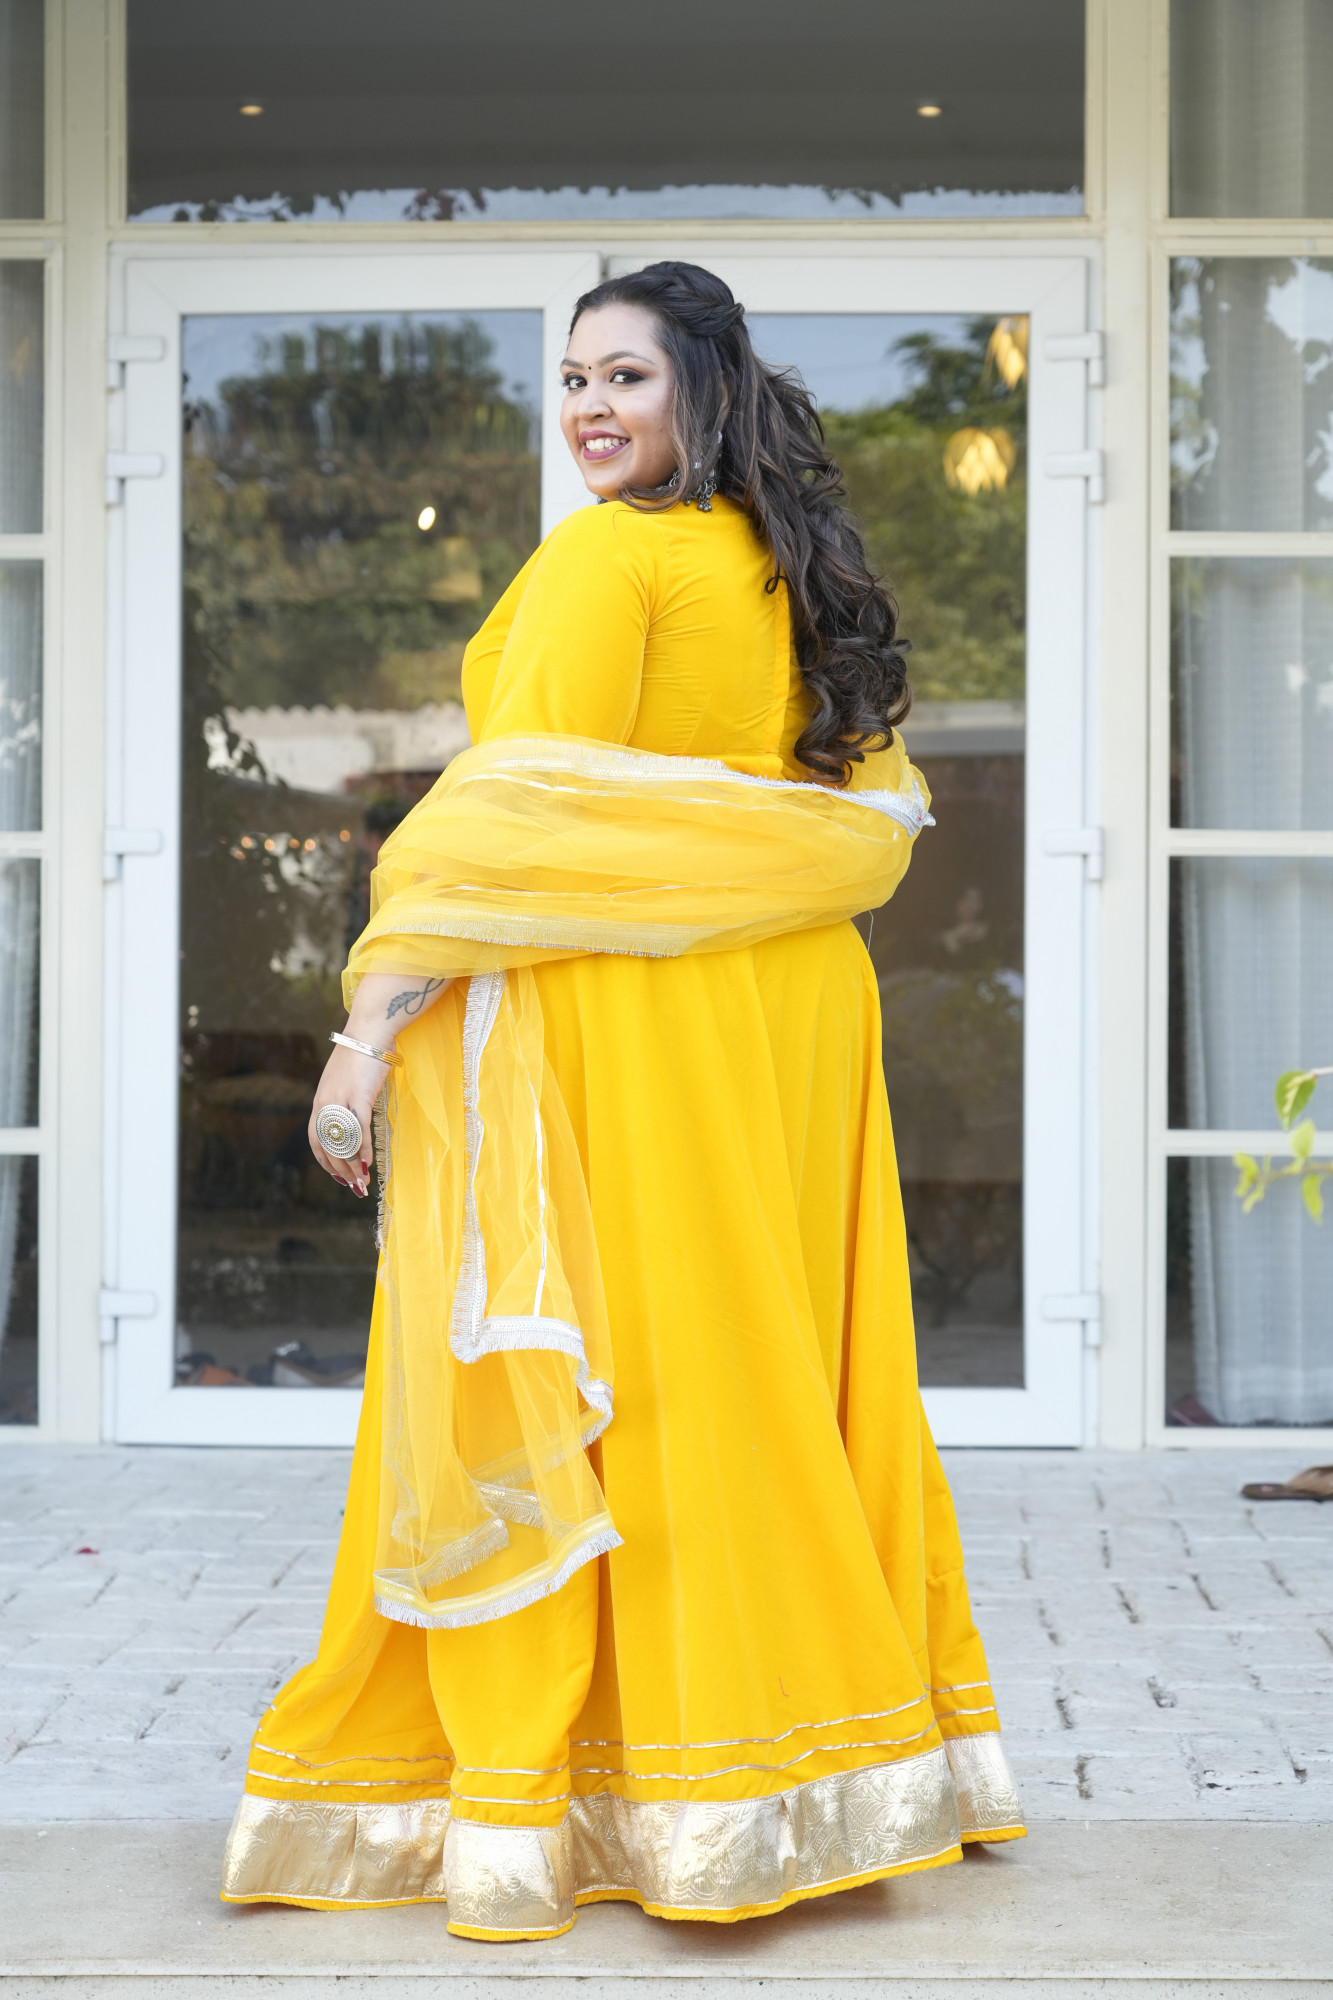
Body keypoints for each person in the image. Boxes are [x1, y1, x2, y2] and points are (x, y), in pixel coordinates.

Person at [220, 260, 1023, 1939]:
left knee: (643, 1387)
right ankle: (815, 1762)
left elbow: (501, 830)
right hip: (788, 1012)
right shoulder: (800, 572)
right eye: (572, 379)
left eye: (625, 379)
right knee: (774, 1363)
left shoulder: (612, 557)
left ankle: (592, 1788)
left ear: (704, 393)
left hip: (635, 1028)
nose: (589, 408)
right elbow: (854, 821)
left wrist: (365, 1037)